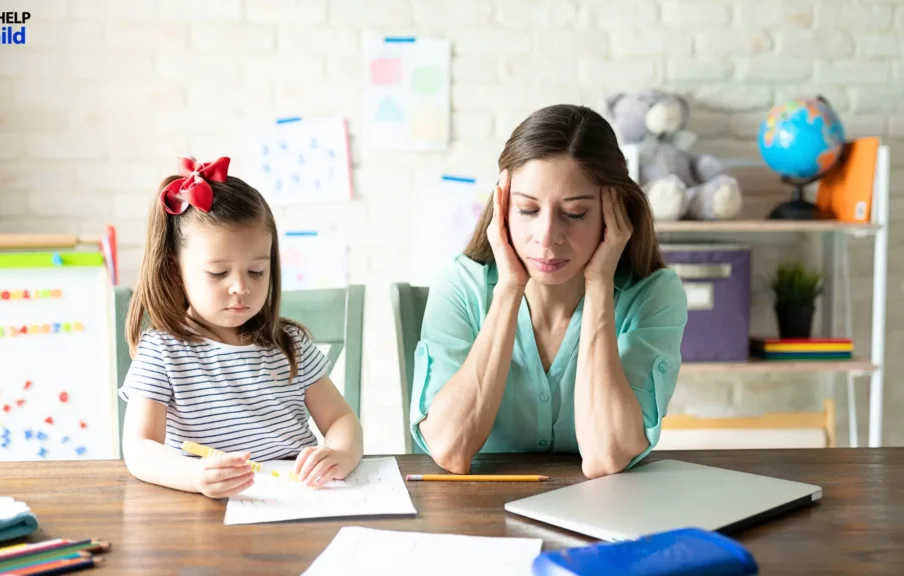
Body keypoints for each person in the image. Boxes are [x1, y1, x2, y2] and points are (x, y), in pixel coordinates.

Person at [409, 104, 688, 479]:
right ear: (502, 206)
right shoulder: (462, 285)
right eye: (527, 209)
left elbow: (606, 456)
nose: (546, 237)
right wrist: (509, 288)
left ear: (614, 211)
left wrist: (599, 283)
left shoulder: (654, 295)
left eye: (574, 214)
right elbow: (449, 448)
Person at [119, 155, 363, 498]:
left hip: (297, 504)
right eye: (219, 273)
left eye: (257, 271)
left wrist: (339, 453)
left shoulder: (289, 344)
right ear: (177, 271)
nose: (241, 288)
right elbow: (140, 447)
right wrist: (192, 476)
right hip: (204, 511)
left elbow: (341, 420)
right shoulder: (163, 351)